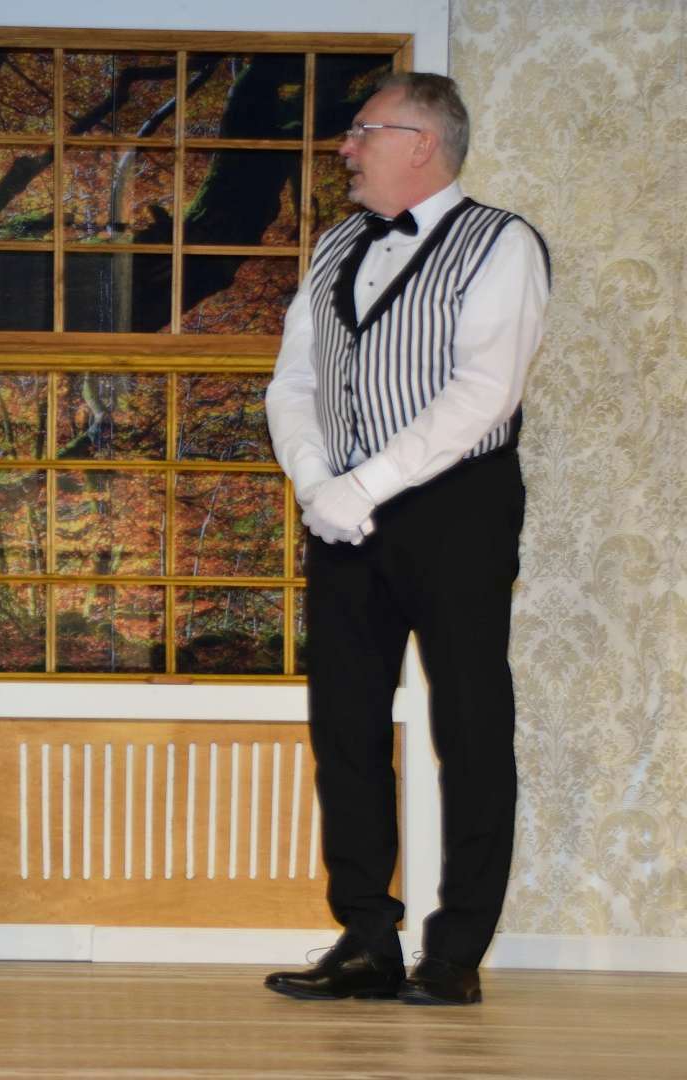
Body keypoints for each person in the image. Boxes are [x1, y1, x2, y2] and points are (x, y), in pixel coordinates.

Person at [263, 73, 549, 1006]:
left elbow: (484, 393)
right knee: (344, 726)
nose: (344, 148)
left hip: (457, 508)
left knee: (469, 724)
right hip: (339, 512)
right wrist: (319, 485)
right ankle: (365, 939)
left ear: (422, 142)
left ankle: (456, 951)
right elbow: (294, 383)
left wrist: (367, 483)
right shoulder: (335, 244)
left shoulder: (501, 243)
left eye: (362, 131)